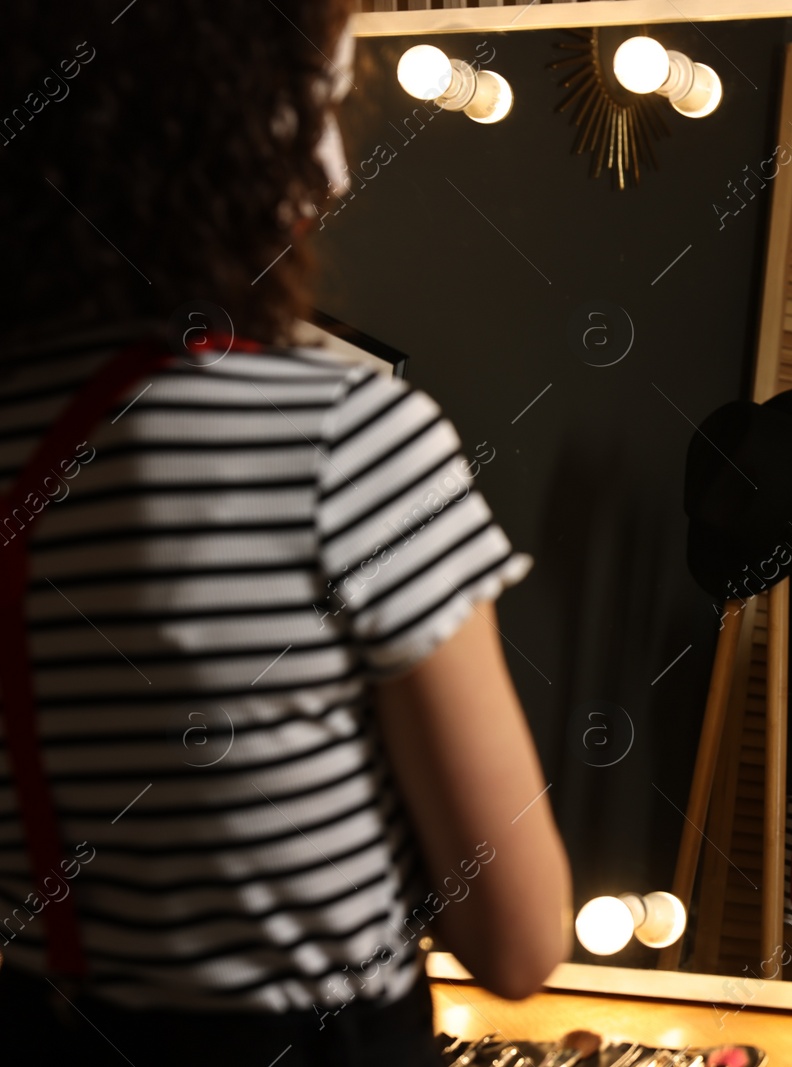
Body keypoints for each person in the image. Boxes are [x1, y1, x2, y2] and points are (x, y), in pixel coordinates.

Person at [0, 3, 571, 1063]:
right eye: (316, 108)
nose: (336, 168)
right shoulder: (341, 435)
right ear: (209, 116)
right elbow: (519, 936)